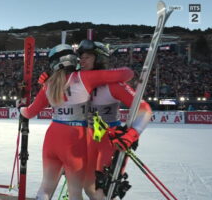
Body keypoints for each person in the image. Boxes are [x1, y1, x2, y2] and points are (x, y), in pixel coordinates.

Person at [19, 44, 134, 200]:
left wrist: (21, 108)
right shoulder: (83, 77)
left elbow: (29, 112)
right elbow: (126, 74)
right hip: (75, 139)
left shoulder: (49, 84)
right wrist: (101, 71)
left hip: (53, 136)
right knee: (75, 193)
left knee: (45, 188)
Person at [76, 40, 152, 200]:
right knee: (87, 187)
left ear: (100, 59)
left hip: (109, 141)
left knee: (102, 192)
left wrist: (132, 134)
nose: (82, 60)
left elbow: (145, 110)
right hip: (89, 140)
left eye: (87, 57)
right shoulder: (80, 83)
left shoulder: (113, 85)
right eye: (81, 57)